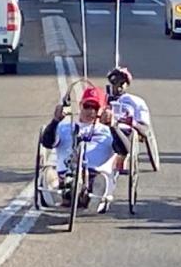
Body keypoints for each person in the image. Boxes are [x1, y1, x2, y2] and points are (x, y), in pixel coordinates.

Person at [40, 86, 129, 214]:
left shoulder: (107, 131)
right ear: (81, 106)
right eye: (87, 106)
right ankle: (57, 197)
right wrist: (55, 121)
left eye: (95, 108)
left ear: (102, 110)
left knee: (101, 180)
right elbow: (47, 143)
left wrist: (113, 126)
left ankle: (94, 200)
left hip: (95, 177)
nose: (90, 111)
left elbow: (124, 151)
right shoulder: (64, 127)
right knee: (48, 173)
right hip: (65, 175)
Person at [106, 67, 157, 171]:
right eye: (115, 82)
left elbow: (145, 129)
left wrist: (133, 123)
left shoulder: (136, 102)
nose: (118, 86)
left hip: (124, 131)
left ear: (127, 84)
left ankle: (120, 157)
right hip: (102, 130)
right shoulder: (102, 98)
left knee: (120, 133)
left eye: (122, 83)